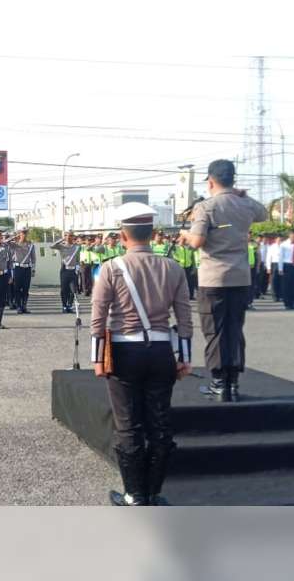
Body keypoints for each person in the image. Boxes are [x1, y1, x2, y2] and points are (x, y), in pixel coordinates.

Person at [91, 203, 193, 506]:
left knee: (128, 424)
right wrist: (185, 356)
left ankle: (134, 494)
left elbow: (98, 317)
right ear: (152, 233)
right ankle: (154, 492)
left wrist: (97, 358)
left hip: (124, 351)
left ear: (123, 235)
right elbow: (184, 316)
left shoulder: (111, 268)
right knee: (160, 423)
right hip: (162, 351)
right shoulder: (173, 267)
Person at [179, 159, 267, 401]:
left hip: (214, 278)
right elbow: (263, 213)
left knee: (215, 331)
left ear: (210, 181)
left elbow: (197, 241)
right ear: (232, 180)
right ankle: (233, 384)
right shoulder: (245, 204)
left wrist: (185, 234)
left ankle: (219, 384)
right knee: (234, 330)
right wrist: (242, 195)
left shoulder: (206, 206)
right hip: (240, 277)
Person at [7, 226, 35, 314]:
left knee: (26, 289)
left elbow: (33, 258)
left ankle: (24, 306)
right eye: (22, 233)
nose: (24, 235)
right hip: (18, 268)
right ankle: (18, 306)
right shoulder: (15, 244)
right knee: (17, 288)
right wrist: (15, 237)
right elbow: (5, 242)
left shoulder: (30, 245)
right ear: (19, 234)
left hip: (27, 268)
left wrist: (33, 269)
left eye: (25, 233)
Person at [51, 230, 80, 313]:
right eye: (67, 235)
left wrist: (77, 268)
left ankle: (70, 305)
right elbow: (51, 246)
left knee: (73, 290)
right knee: (64, 289)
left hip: (73, 270)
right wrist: (62, 239)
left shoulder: (76, 247)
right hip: (65, 270)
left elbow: (78, 258)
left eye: (70, 235)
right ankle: (64, 306)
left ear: (73, 237)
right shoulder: (62, 246)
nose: (69, 237)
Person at [278, 229, 294, 310]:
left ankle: (293, 302)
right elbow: (281, 257)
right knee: (287, 285)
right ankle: (287, 303)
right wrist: (280, 268)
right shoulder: (284, 244)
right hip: (287, 265)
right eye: (293, 236)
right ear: (289, 235)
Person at [265, 235, 282, 303]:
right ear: (275, 240)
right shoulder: (272, 247)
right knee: (274, 281)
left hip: (281, 264)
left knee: (280, 280)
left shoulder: (283, 246)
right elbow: (268, 257)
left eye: (280, 240)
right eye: (278, 240)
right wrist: (268, 267)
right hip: (274, 264)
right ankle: (274, 296)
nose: (279, 241)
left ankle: (279, 295)